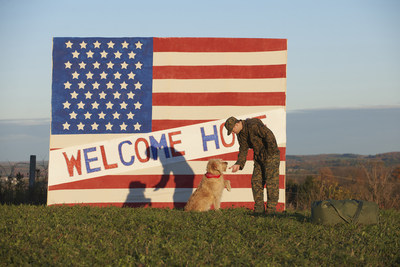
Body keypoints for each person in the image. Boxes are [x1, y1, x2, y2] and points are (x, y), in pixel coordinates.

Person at [224, 116, 280, 214]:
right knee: (256, 181)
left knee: (271, 183)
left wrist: (270, 153)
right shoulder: (240, 134)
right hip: (258, 157)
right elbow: (243, 149)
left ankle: (271, 211)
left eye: (232, 129)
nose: (233, 132)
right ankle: (259, 209)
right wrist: (239, 163)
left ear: (237, 124)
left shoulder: (253, 125)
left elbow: (269, 135)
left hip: (270, 155)